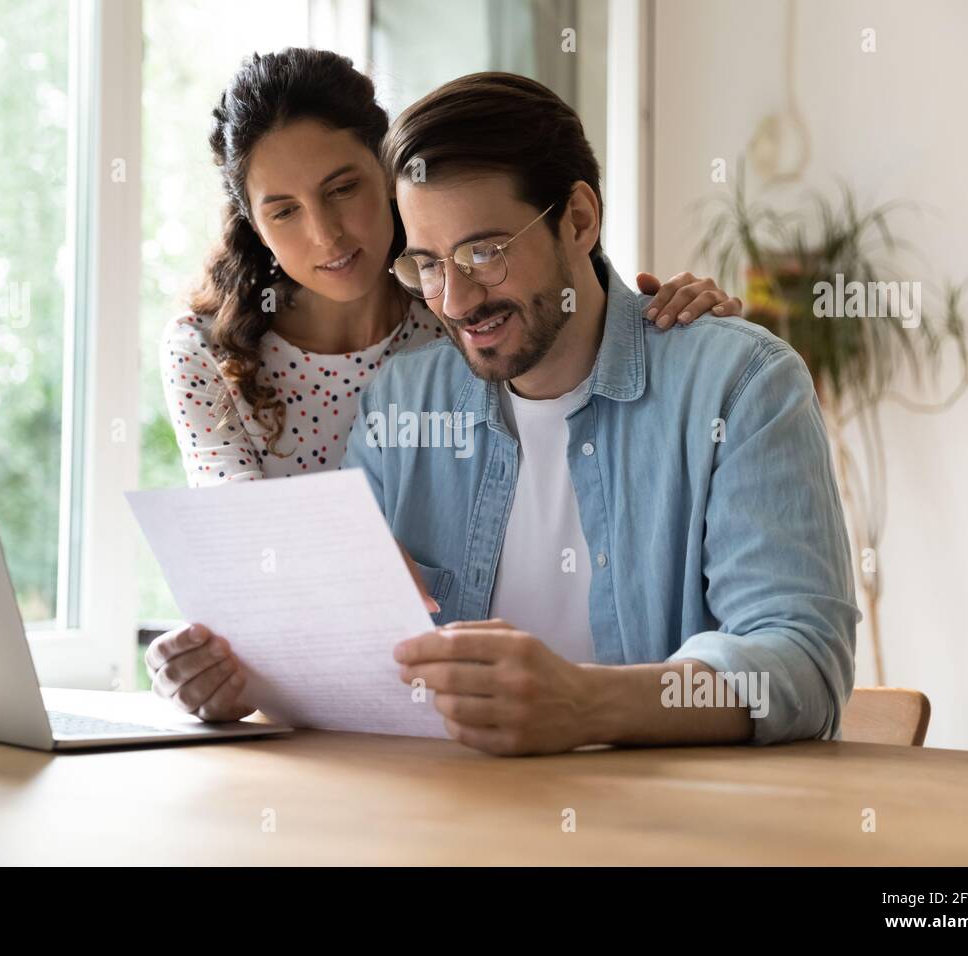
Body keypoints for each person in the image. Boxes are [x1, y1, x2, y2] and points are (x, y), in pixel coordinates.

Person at [148, 49, 747, 729]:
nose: (326, 233)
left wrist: (674, 328)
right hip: (345, 703)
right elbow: (252, 582)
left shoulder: (458, 325)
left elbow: (567, 297)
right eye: (283, 211)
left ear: (392, 175)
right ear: (254, 225)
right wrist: (222, 664)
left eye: (345, 188)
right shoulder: (214, 351)